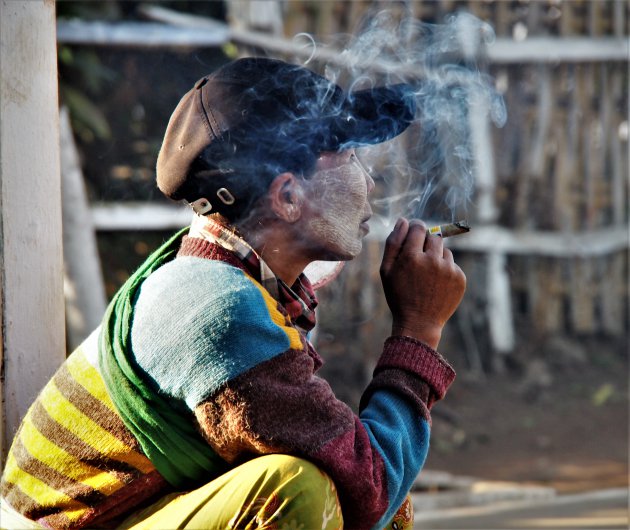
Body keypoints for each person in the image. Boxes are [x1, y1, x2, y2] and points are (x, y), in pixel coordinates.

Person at [0, 57, 465, 530]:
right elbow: (369, 487)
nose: (369, 183)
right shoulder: (221, 309)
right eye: (348, 158)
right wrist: (419, 329)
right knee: (297, 490)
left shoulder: (229, 280)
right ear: (287, 197)